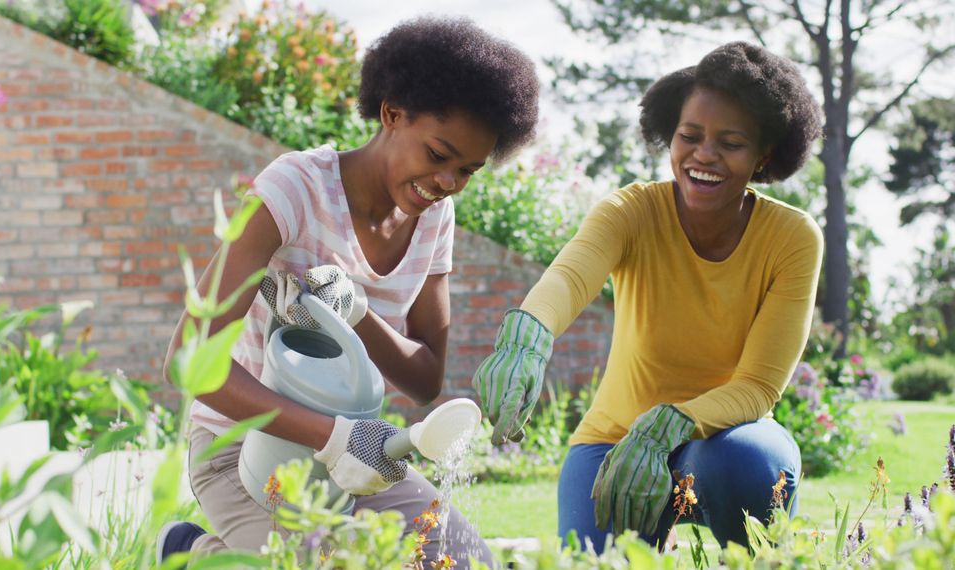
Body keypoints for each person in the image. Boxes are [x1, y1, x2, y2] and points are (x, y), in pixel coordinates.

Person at [157, 16, 539, 567]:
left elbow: (424, 377)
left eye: (467, 171)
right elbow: (191, 361)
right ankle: (188, 554)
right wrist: (333, 438)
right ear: (391, 113)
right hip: (243, 449)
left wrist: (357, 313)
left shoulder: (434, 219)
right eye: (438, 155)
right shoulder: (295, 189)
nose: (448, 183)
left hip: (356, 456)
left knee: (462, 562)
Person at [473, 41, 824, 552]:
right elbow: (569, 278)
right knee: (588, 564)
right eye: (690, 136)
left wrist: (668, 425)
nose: (705, 154)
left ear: (763, 155)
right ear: (670, 136)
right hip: (611, 443)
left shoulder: (792, 237)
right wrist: (528, 333)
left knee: (749, 463)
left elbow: (757, 388)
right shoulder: (631, 211)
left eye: (731, 143)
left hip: (721, 443)